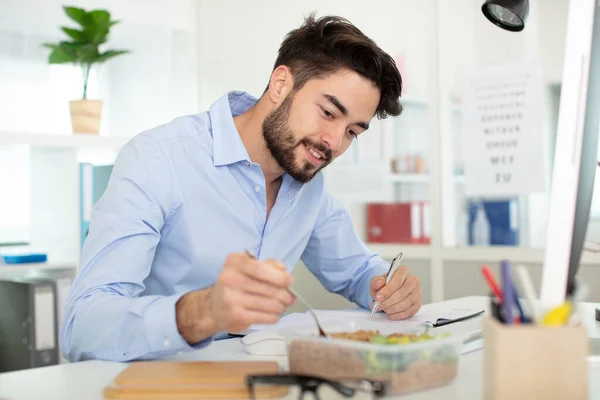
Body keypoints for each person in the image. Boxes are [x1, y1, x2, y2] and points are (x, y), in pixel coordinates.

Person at [60, 13, 422, 362]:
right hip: (157, 384)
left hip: (259, 380)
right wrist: (201, 312)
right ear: (281, 85)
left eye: (352, 132)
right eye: (328, 113)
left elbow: (358, 272)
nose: (334, 143)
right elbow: (82, 326)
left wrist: (386, 287)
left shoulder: (308, 184)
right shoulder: (160, 158)